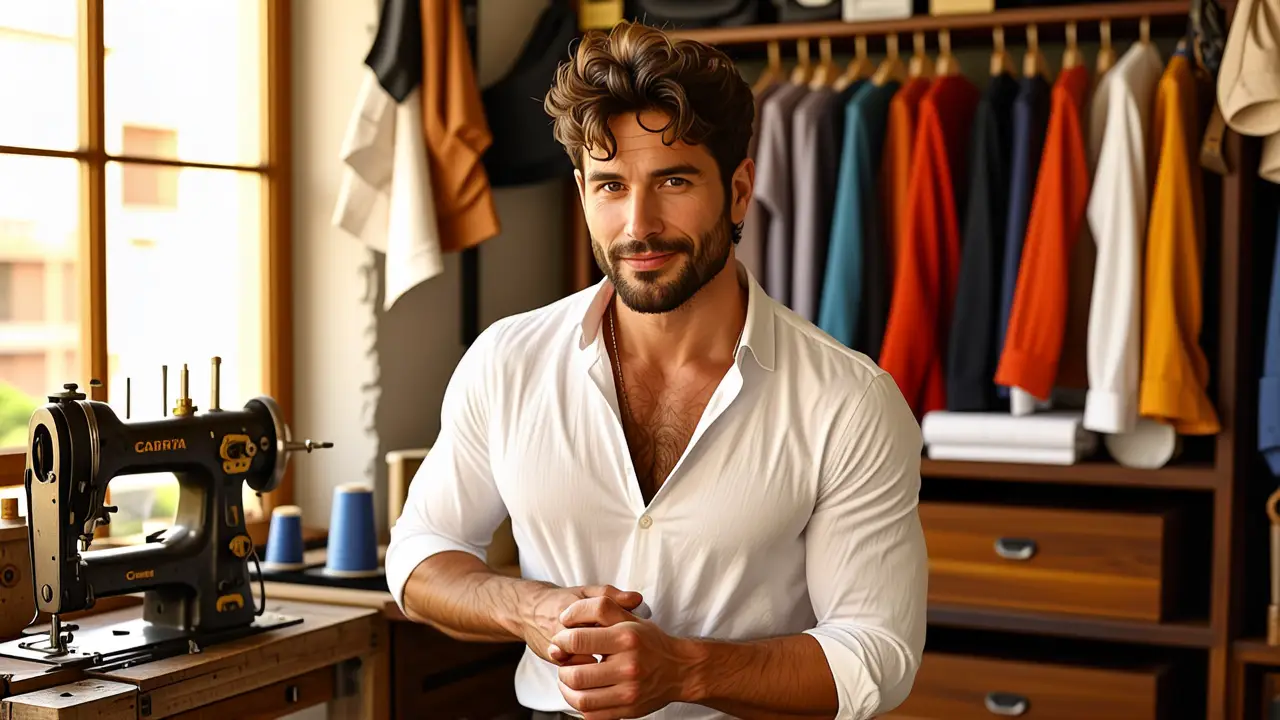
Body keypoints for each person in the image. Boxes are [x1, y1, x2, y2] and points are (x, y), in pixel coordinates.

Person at [386, 20, 927, 720]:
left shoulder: (850, 402)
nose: (638, 224)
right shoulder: (506, 361)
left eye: (672, 180)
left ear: (737, 192)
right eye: (610, 186)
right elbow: (422, 552)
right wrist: (533, 609)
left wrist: (684, 671)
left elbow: (876, 654)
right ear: (582, 192)